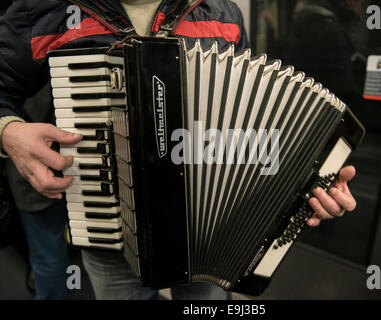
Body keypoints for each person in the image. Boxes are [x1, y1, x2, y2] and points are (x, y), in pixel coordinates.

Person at [0, 0, 357, 300]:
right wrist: (9, 133)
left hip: (211, 235)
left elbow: (248, 120)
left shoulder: (222, 13)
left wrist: (308, 186)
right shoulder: (44, 10)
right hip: (108, 232)